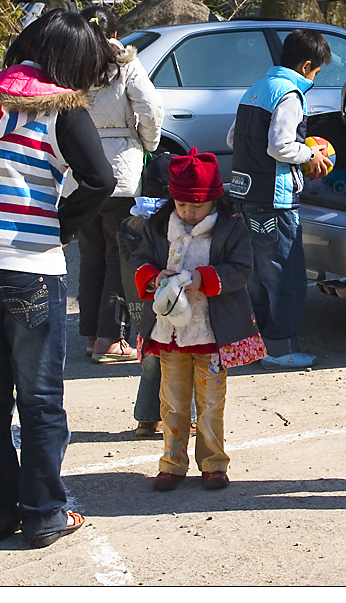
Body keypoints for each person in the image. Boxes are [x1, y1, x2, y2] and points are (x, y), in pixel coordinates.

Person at [0, 9, 116, 547]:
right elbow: (100, 180)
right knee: (40, 400)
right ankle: (44, 514)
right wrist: (58, 225)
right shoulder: (61, 108)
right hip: (30, 266)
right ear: (73, 60)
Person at [129, 148, 264, 491]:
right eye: (182, 204)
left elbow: (242, 270)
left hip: (210, 335)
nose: (188, 212)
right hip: (171, 334)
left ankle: (213, 462)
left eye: (197, 206)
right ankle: (172, 463)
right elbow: (138, 260)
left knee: (210, 405)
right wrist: (154, 277)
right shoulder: (159, 226)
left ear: (215, 201)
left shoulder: (231, 229)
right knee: (172, 403)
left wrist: (206, 278)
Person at [226, 29, 331, 371]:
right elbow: (280, 145)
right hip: (275, 199)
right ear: (305, 66)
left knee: (256, 275)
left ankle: (259, 344)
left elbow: (232, 136)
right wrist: (309, 153)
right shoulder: (289, 94)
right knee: (286, 276)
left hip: (244, 194)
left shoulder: (256, 89)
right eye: (316, 72)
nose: (314, 79)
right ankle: (281, 347)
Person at [76, 5, 164, 364]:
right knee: (118, 257)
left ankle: (91, 334)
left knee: (90, 257)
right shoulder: (125, 61)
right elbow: (151, 108)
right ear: (115, 32)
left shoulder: (74, 60)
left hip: (81, 171)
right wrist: (147, 143)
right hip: (120, 171)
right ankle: (111, 338)